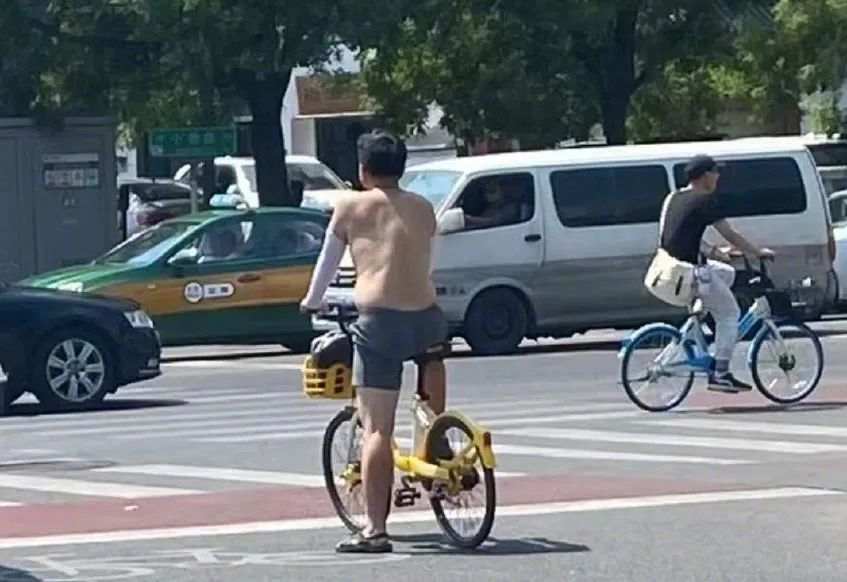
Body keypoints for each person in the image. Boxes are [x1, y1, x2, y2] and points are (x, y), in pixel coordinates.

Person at [299, 130, 448, 553]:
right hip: (429, 318)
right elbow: (427, 263)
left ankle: (375, 529)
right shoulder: (423, 208)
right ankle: (436, 450)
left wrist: (311, 302)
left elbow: (326, 264)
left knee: (377, 428)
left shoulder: (350, 206)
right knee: (432, 402)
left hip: (380, 322)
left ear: (363, 170)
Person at [660, 154, 774, 393]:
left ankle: (706, 315)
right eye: (715, 172)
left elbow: (675, 237)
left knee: (727, 273)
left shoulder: (673, 197)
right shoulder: (705, 200)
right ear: (705, 176)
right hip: (692, 273)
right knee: (730, 313)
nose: (718, 177)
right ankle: (721, 373)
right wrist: (756, 252)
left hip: (671, 270)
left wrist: (715, 253)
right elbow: (730, 234)